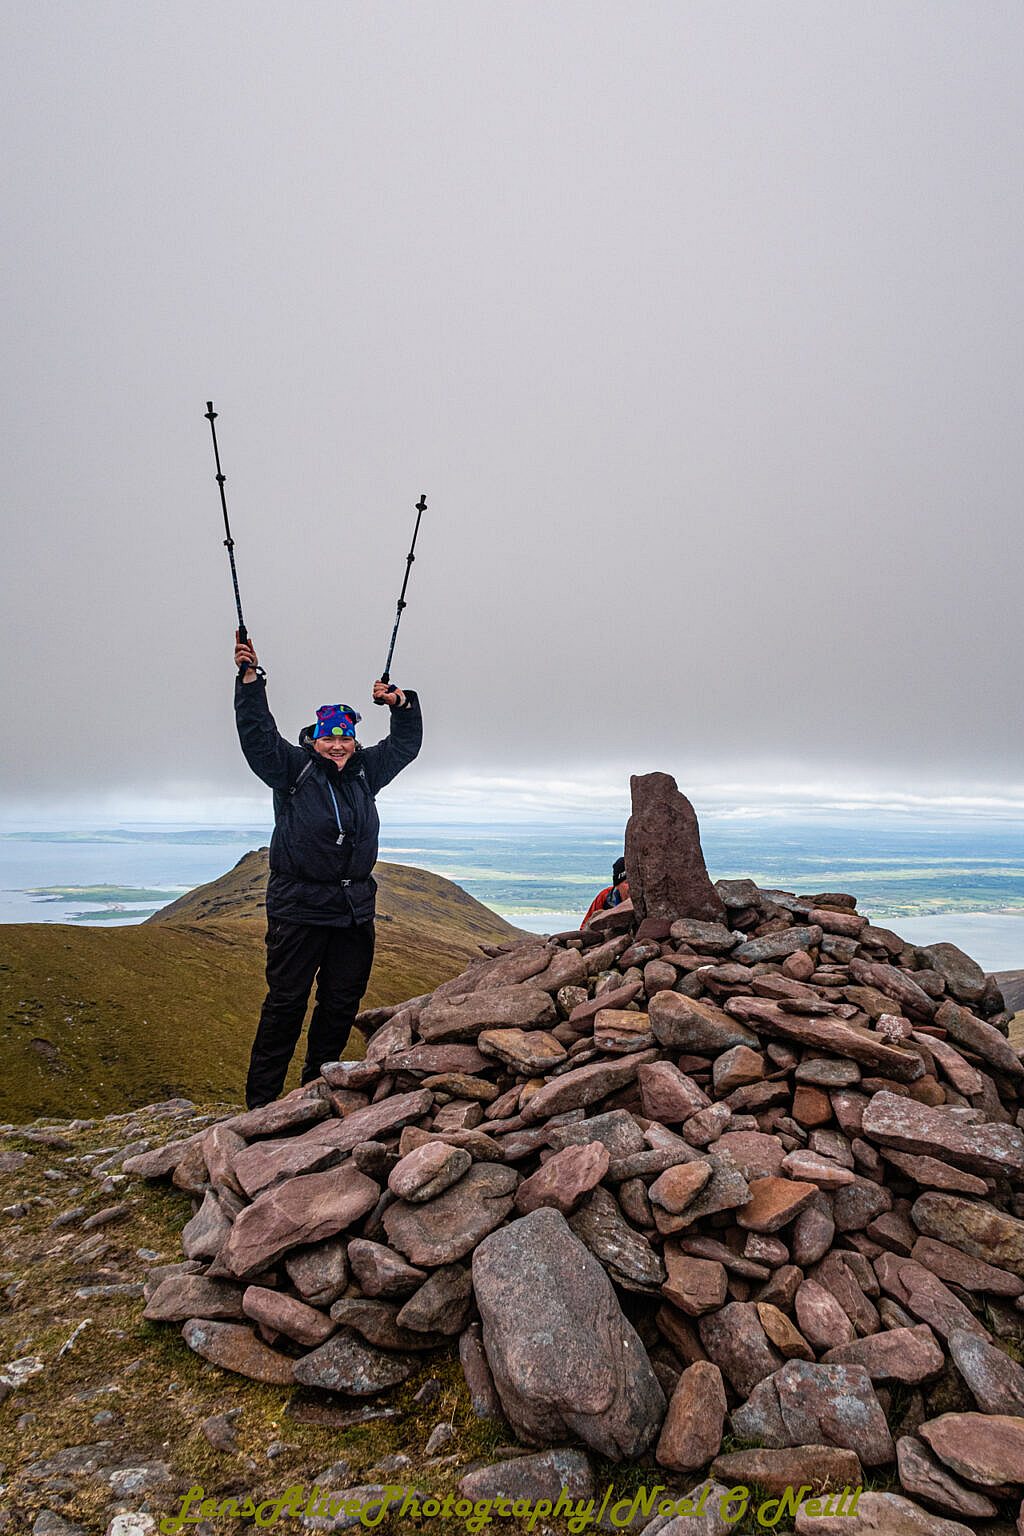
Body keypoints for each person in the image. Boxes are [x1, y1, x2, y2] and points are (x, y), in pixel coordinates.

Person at [233, 633, 422, 1107]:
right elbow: (257, 737)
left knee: (340, 1005)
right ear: (314, 739)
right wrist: (251, 680)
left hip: (353, 909)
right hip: (299, 908)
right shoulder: (291, 769)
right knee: (285, 1005)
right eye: (328, 738)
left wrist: (401, 703)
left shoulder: (365, 771)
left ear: (354, 740)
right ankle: (261, 1106)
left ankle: (316, 1093)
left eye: (344, 738)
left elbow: (405, 746)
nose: (337, 746)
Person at [582, 855, 629, 929]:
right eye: (627, 882)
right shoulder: (605, 897)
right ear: (617, 885)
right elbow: (585, 928)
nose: (633, 886)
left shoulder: (644, 901)